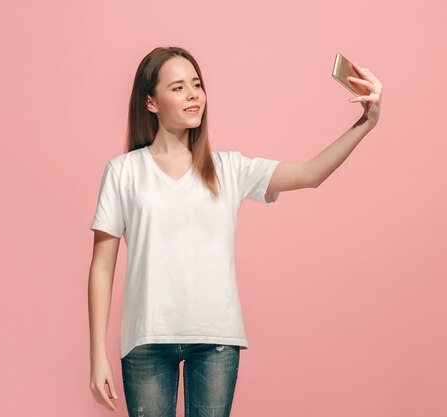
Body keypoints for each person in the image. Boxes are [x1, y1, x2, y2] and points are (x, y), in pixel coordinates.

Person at [88, 46, 382, 416]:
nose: (193, 94)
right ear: (150, 101)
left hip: (216, 340)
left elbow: (311, 174)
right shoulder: (123, 171)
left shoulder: (229, 168)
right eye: (177, 87)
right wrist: (97, 356)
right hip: (147, 339)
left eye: (196, 84)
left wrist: (366, 123)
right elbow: (101, 266)